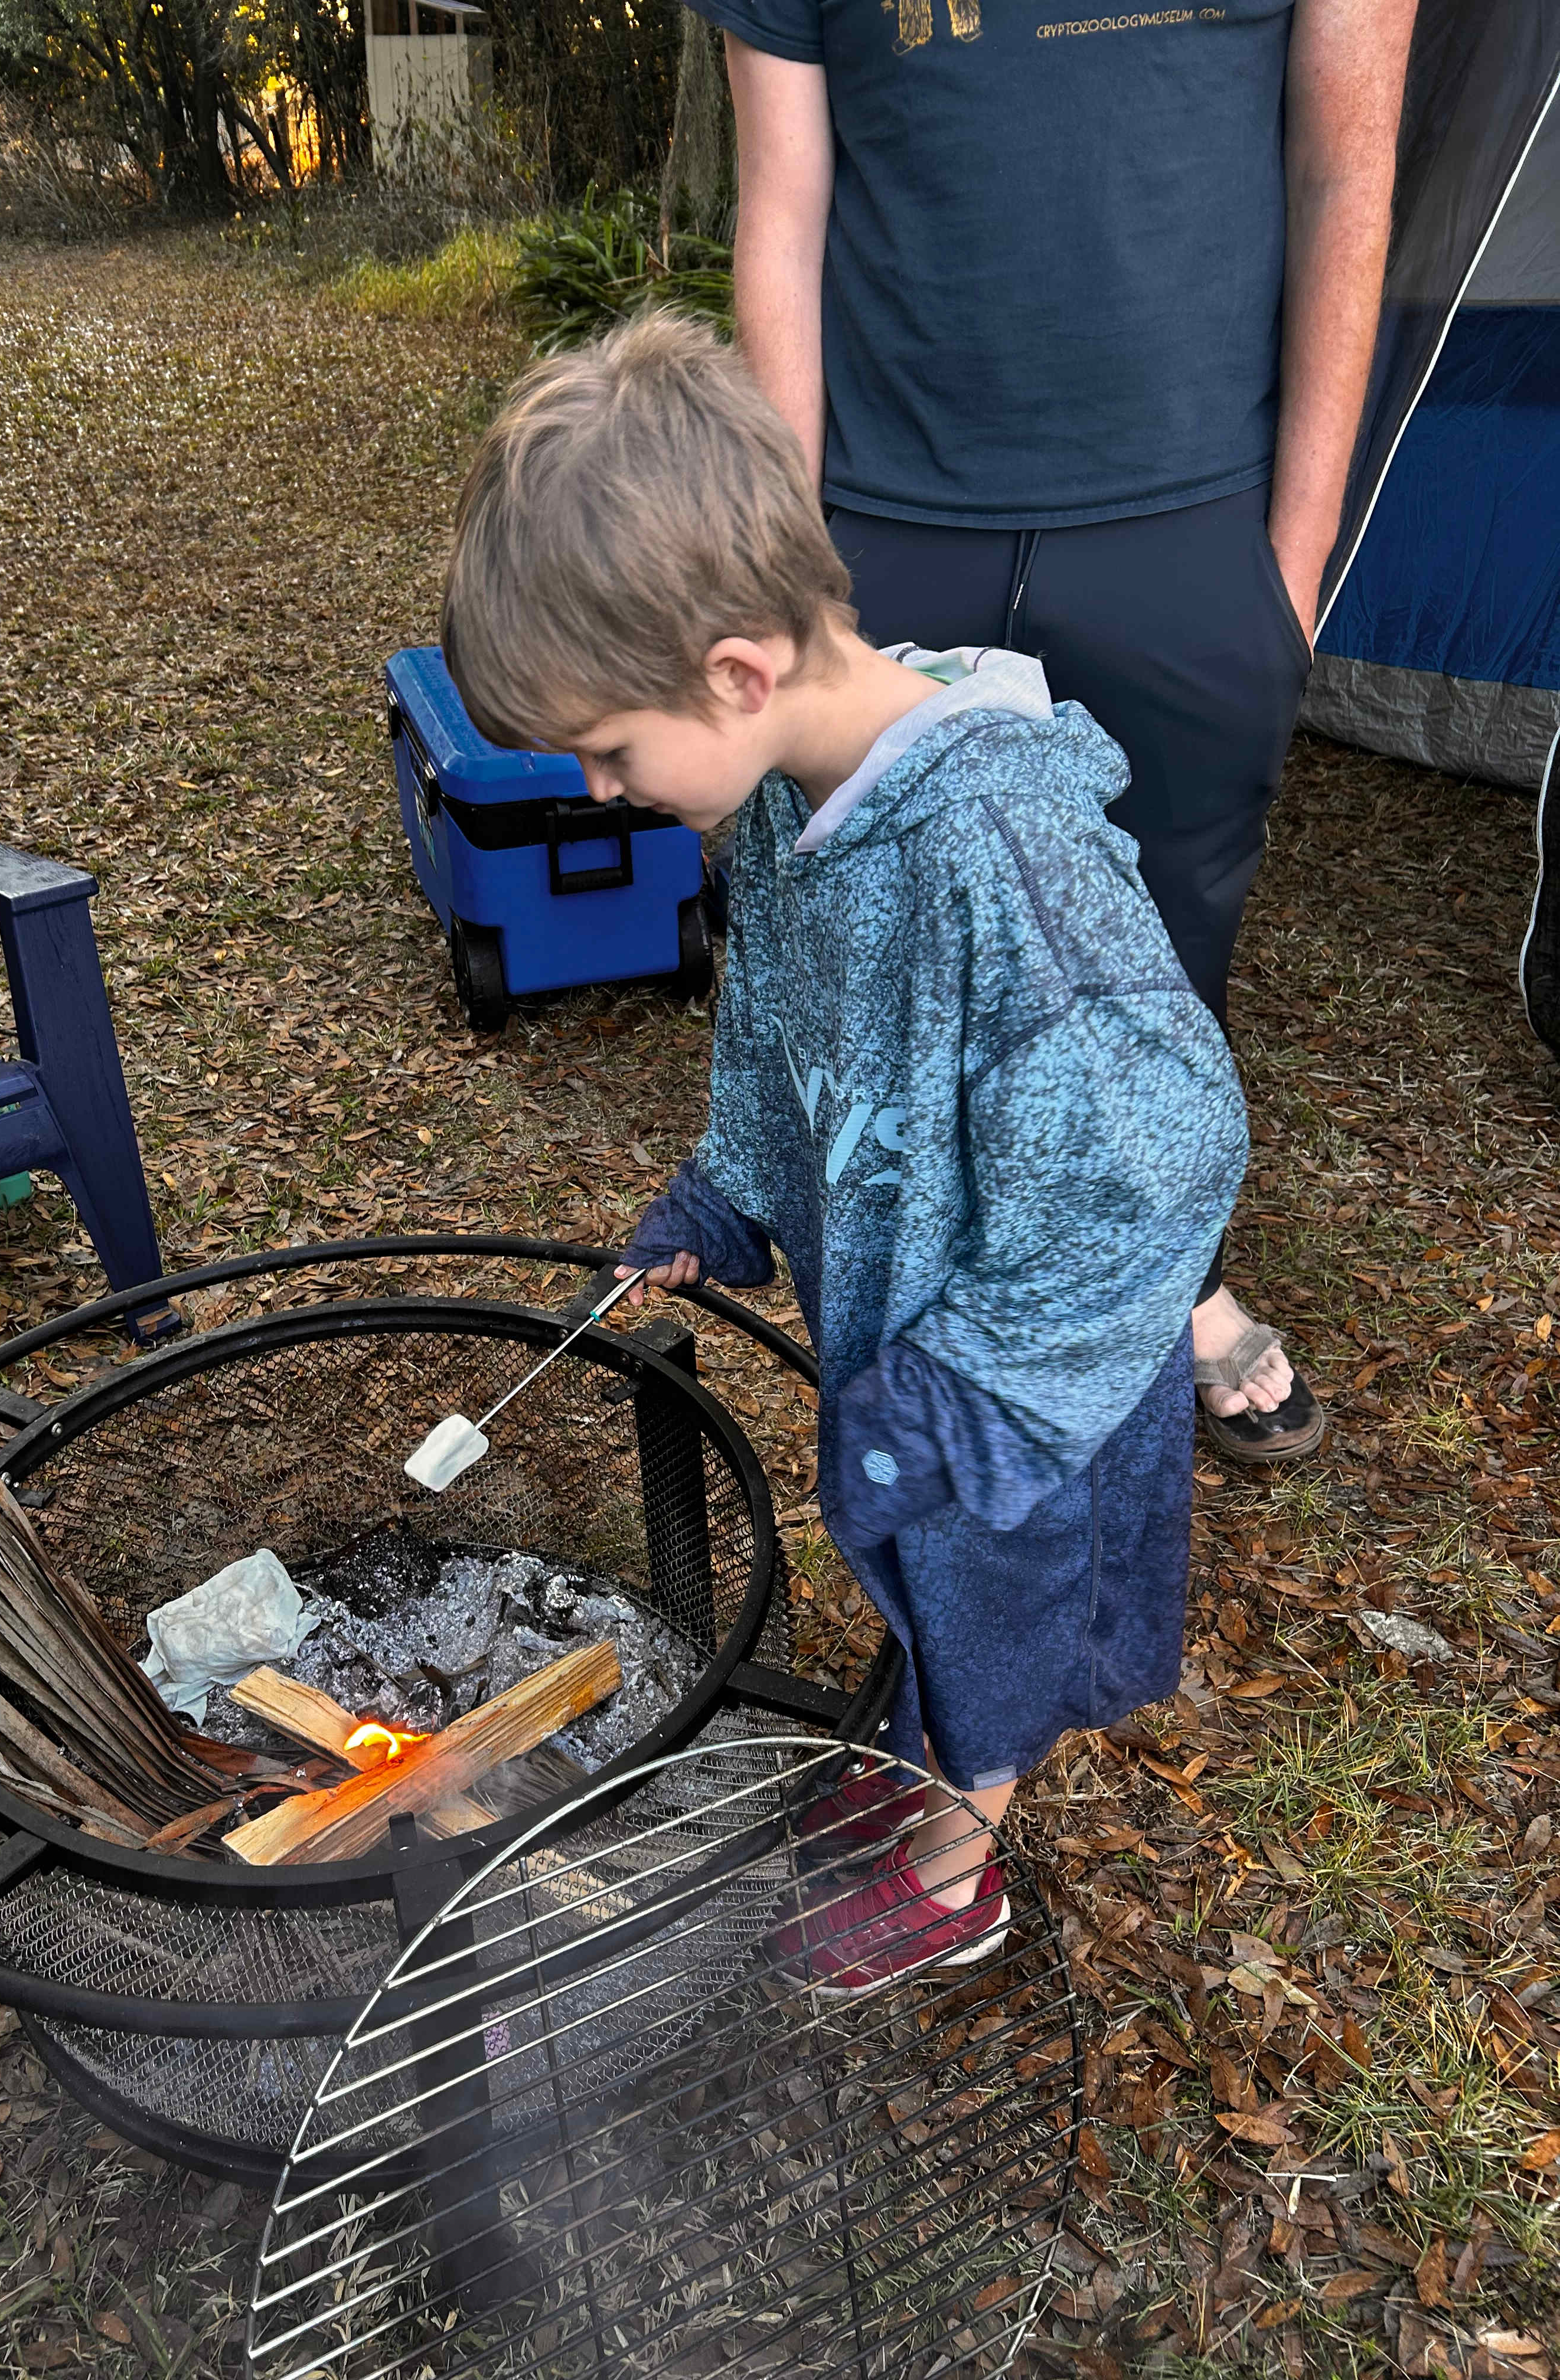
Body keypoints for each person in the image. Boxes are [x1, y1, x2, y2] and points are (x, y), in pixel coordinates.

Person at [440, 312, 1249, 1989]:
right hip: (917, 1351)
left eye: (609, 750)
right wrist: (731, 1189)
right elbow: (779, 1031)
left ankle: (958, 1873)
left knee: (990, 1625)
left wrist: (970, 1400)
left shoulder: (1001, 856)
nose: (598, 787)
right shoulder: (786, 804)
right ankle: (928, 1773)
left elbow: (1165, 1157)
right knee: (929, 1605)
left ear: (736, 672)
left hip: (1022, 1400)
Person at [701, 0, 1421, 1463]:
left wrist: (1289, 574)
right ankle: (925, 1318)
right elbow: (781, 200)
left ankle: (1174, 1281)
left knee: (1160, 962)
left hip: (1193, 518)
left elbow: (1345, 166)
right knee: (877, 963)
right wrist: (791, 568)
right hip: (881, 522)